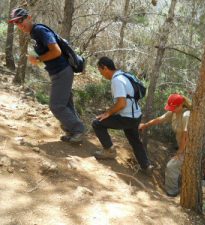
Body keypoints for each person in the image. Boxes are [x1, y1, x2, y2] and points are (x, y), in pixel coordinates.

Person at [9, 8, 85, 142]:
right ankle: (73, 131)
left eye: (21, 20)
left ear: (29, 17)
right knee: (66, 104)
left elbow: (56, 51)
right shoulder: (34, 33)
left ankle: (78, 130)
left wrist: (38, 59)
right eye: (16, 23)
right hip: (59, 72)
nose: (20, 24)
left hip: (62, 72)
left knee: (56, 106)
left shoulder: (39, 30)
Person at [92, 56, 153, 174]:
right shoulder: (124, 75)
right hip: (136, 115)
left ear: (105, 68)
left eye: (100, 71)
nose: (101, 75)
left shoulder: (116, 80)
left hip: (126, 117)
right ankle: (146, 166)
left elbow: (121, 104)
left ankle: (109, 151)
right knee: (135, 140)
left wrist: (107, 113)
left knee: (97, 124)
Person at [139, 93, 191, 196]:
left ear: (181, 105)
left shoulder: (186, 115)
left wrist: (180, 152)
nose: (171, 109)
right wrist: (145, 125)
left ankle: (172, 192)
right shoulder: (174, 112)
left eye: (173, 107)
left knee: (171, 166)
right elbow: (160, 119)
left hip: (189, 148)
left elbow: (186, 134)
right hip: (183, 147)